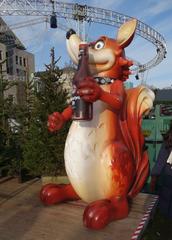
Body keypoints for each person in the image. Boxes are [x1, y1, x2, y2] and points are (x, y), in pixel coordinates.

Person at [150, 122, 172, 220]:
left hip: (167, 176)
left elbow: (160, 162)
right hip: (168, 177)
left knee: (165, 199)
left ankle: (164, 217)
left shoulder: (168, 141)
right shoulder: (168, 142)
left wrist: (154, 177)